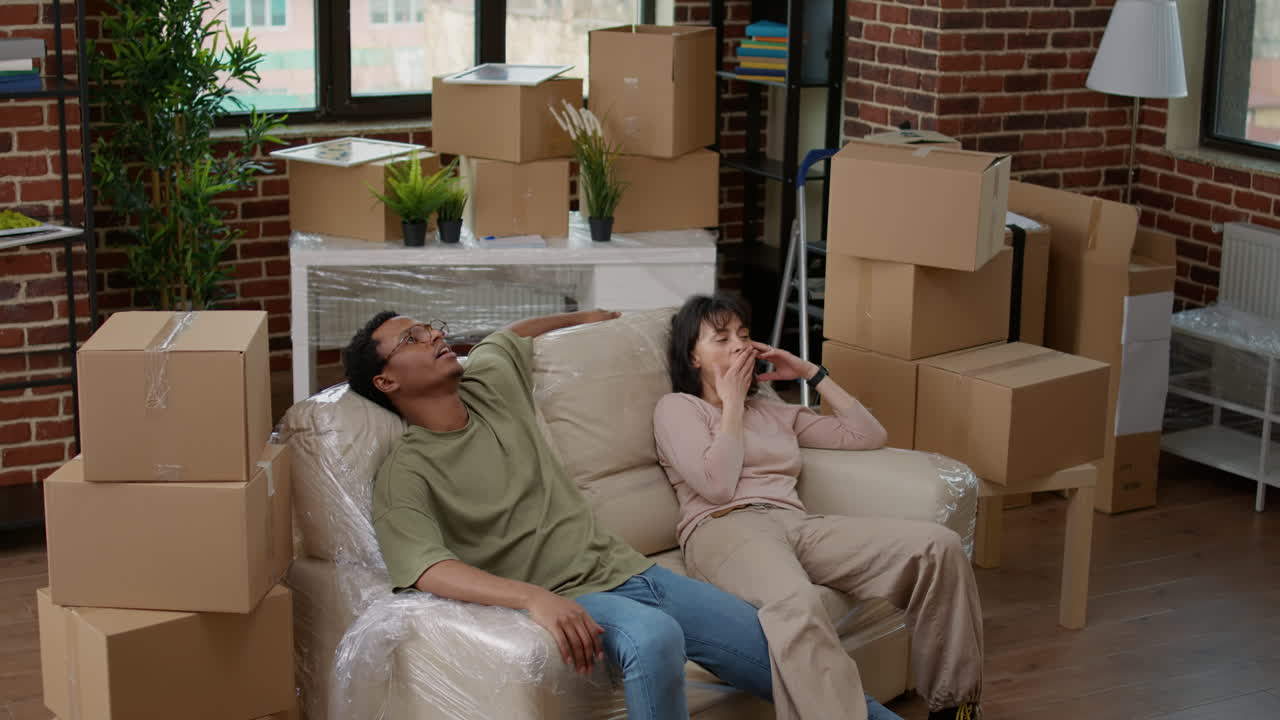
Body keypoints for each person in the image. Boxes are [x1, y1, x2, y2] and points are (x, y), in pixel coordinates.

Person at [342, 308, 778, 720]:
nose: (434, 334)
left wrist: (581, 317)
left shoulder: (489, 383)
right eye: (411, 339)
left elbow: (508, 336)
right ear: (386, 382)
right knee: (654, 635)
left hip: (628, 569)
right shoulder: (406, 472)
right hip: (569, 594)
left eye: (429, 327)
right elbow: (427, 568)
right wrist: (533, 598)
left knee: (785, 654)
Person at [654, 294, 985, 720]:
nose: (739, 345)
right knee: (797, 605)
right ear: (692, 357)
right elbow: (716, 486)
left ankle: (955, 708)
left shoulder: (773, 412)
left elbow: (868, 435)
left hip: (796, 523)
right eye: (721, 339)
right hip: (725, 529)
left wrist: (812, 373)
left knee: (938, 547)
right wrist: (731, 402)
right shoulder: (678, 409)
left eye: (744, 335)